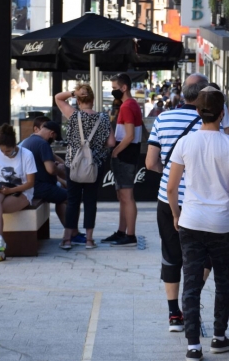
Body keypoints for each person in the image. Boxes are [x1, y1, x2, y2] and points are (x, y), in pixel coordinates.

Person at [167, 86, 229, 361]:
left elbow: (171, 188)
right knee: (224, 280)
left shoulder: (185, 143)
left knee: (191, 282)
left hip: (191, 221)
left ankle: (193, 346)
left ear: (197, 111)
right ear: (222, 112)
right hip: (222, 224)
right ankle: (219, 336)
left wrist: (176, 214)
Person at [145, 72, 214, 333]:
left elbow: (150, 162)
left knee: (171, 254)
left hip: (168, 198)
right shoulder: (209, 122)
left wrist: (172, 174)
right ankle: (190, 303)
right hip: (201, 200)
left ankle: (174, 314)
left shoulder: (163, 118)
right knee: (204, 256)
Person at [55, 85, 114, 250]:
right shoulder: (103, 118)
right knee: (90, 201)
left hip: (73, 164)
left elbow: (58, 97)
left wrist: (73, 93)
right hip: (95, 165)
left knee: (73, 200)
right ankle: (89, 240)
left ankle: (67, 239)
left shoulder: (73, 115)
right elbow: (111, 143)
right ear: (93, 99)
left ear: (78, 100)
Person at [102, 73, 141, 247]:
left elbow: (130, 135)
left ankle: (130, 235)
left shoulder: (127, 106)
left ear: (124, 87)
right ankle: (121, 231)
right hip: (128, 154)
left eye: (115, 88)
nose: (113, 92)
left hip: (125, 154)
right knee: (123, 196)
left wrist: (115, 152)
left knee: (126, 196)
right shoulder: (131, 105)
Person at [19, 117, 72, 242]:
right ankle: (72, 233)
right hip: (40, 187)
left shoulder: (29, 141)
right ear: (52, 133)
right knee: (72, 197)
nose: (53, 141)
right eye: (54, 139)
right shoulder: (43, 144)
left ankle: (70, 231)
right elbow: (51, 170)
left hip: (31, 185)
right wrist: (57, 167)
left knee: (62, 196)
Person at [0, 124, 36, 254]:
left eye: (8, 151)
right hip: (2, 188)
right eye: (2, 151)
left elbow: (30, 183)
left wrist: (10, 191)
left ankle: (0, 243)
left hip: (22, 190)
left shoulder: (26, 155)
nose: (5, 154)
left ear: (15, 145)